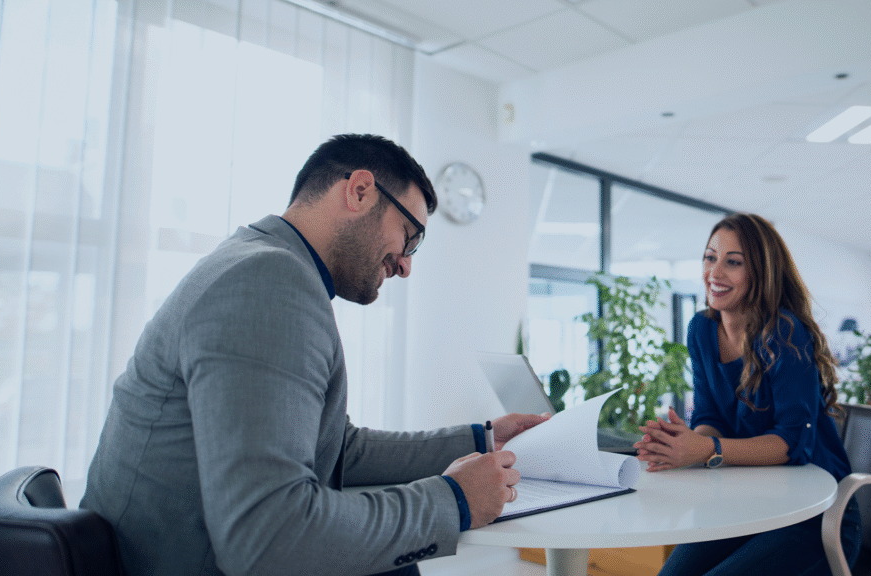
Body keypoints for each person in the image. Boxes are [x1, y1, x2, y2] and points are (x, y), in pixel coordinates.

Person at [80, 134, 547, 576]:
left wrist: (482, 440)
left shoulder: (256, 262)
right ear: (360, 191)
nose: (406, 265)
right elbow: (267, 535)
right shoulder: (268, 281)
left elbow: (339, 448)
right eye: (410, 236)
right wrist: (454, 502)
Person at [633, 213, 861, 576]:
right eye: (710, 257)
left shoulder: (784, 332)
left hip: (815, 514)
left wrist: (706, 449)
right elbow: (710, 417)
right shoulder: (701, 329)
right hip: (747, 503)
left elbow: (792, 444)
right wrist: (685, 445)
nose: (715, 272)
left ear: (761, 272)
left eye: (733, 262)